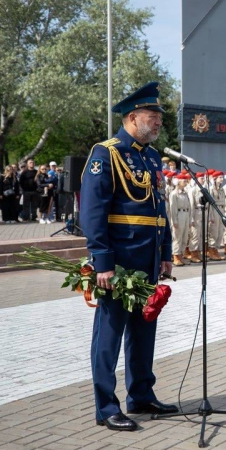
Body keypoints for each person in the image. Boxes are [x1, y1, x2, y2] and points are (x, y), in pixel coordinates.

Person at [79, 81, 177, 431]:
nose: (158, 123)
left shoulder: (151, 157)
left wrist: (165, 252)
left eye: (159, 118)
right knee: (109, 336)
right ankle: (106, 407)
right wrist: (101, 261)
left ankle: (141, 395)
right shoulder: (106, 153)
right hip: (117, 262)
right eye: (153, 117)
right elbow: (92, 212)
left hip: (147, 259)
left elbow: (159, 209)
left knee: (143, 331)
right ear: (133, 117)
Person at [169, 173, 192, 266]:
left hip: (186, 214)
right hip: (179, 215)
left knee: (184, 237)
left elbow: (189, 206)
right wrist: (174, 221)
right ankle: (176, 257)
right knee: (177, 237)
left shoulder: (185, 193)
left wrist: (190, 219)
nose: (186, 182)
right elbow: (172, 208)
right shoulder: (174, 194)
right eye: (184, 181)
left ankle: (181, 256)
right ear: (178, 182)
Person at [205, 171, 226, 261]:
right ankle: (212, 251)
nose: (222, 179)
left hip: (221, 210)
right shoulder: (210, 189)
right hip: (214, 210)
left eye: (222, 177)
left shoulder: (222, 189)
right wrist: (211, 216)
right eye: (220, 177)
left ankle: (216, 250)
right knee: (214, 232)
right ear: (215, 179)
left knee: (220, 232)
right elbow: (209, 204)